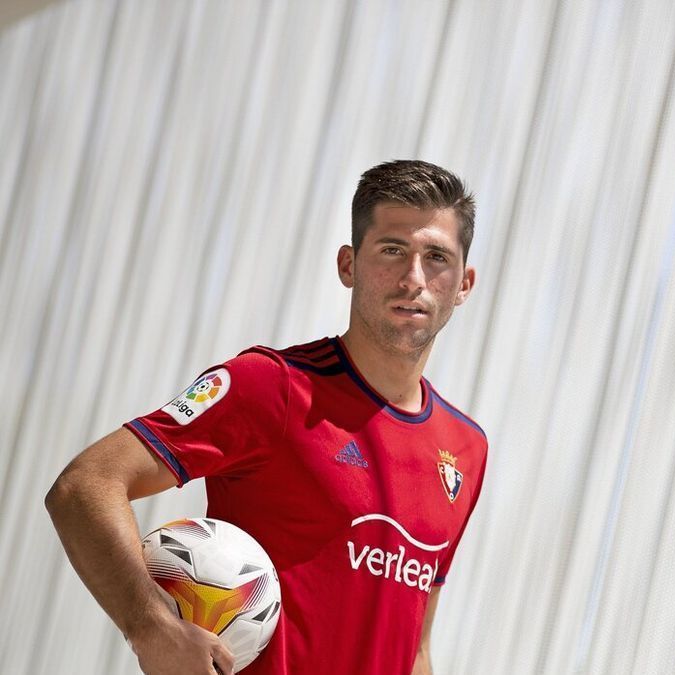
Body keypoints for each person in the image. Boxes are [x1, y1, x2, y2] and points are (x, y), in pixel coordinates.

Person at [45, 159, 488, 675]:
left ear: (463, 283)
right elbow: (86, 486)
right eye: (392, 250)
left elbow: (415, 650)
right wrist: (150, 627)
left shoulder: (465, 449)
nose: (414, 278)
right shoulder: (270, 386)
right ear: (348, 265)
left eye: (436, 257)